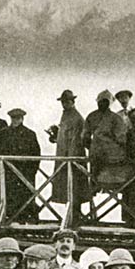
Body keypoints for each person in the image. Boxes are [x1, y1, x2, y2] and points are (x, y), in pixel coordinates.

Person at [0, 108, 42, 223]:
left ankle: (26, 221)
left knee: (25, 198)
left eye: (18, 118)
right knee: (8, 197)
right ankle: (7, 221)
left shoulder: (30, 134)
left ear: (22, 119)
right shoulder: (3, 134)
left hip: (25, 173)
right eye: (13, 118)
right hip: (8, 173)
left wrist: (32, 171)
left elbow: (36, 154)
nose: (15, 120)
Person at [84, 90, 130, 199]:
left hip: (97, 156)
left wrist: (93, 147)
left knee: (97, 178)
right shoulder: (115, 118)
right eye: (101, 101)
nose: (102, 104)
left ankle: (96, 186)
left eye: (103, 101)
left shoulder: (92, 116)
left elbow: (85, 137)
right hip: (111, 158)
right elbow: (122, 139)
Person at [49, 89, 88, 220]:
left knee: (75, 186)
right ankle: (71, 213)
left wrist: (69, 159)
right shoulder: (65, 115)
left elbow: (77, 140)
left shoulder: (77, 117)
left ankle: (76, 214)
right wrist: (55, 135)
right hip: (63, 157)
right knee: (66, 186)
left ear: (72, 102)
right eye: (63, 102)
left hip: (72, 158)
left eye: (66, 102)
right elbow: (64, 137)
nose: (64, 104)